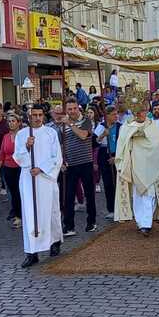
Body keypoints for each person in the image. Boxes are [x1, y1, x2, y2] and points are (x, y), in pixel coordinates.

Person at [114, 92, 159, 236]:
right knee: (138, 195)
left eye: (143, 110)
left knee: (150, 194)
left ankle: (146, 223)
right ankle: (141, 222)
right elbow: (122, 144)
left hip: (151, 165)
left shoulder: (152, 125)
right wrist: (132, 136)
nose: (141, 113)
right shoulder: (127, 126)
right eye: (138, 111)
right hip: (135, 164)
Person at [15, 106, 64, 268]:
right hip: (29, 181)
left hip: (46, 179)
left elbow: (57, 157)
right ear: (29, 117)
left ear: (43, 116)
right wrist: (27, 147)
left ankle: (54, 242)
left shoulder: (50, 133)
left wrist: (41, 168)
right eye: (34, 115)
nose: (37, 118)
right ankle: (31, 252)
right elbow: (18, 157)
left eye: (40, 115)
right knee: (30, 214)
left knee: (50, 211)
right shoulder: (22, 135)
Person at [62, 98, 97, 236]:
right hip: (70, 164)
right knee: (69, 196)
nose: (72, 111)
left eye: (74, 108)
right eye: (69, 109)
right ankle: (69, 226)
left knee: (89, 194)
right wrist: (61, 161)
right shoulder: (63, 124)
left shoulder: (86, 121)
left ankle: (91, 222)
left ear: (78, 108)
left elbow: (83, 136)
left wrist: (70, 123)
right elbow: (61, 144)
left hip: (86, 163)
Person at [0, 113, 23, 228]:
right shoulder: (6, 137)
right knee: (13, 192)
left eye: (13, 121)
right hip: (8, 168)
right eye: (9, 121)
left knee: (20, 192)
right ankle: (16, 213)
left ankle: (21, 216)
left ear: (18, 123)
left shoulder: (23, 135)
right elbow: (1, 154)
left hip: (20, 168)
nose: (11, 123)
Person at [96, 106, 121, 219]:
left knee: (119, 183)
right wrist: (102, 135)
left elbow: (124, 144)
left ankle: (121, 208)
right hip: (104, 155)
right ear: (107, 116)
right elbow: (93, 142)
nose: (116, 116)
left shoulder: (120, 127)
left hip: (117, 155)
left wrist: (116, 157)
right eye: (113, 114)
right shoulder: (101, 127)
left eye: (117, 114)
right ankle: (111, 208)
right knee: (108, 183)